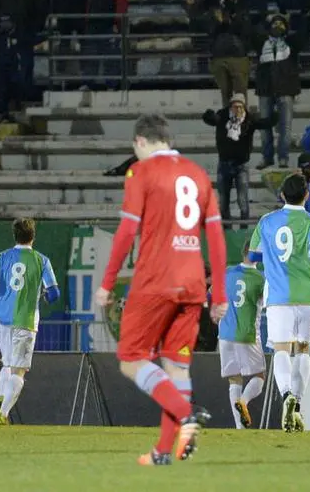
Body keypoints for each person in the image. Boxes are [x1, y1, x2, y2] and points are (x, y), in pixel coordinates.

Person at [94, 114, 228, 466]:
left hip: (155, 279)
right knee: (177, 368)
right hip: (193, 284)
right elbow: (215, 237)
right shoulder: (199, 175)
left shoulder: (141, 173)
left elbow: (125, 232)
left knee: (131, 361)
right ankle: (164, 452)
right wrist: (220, 295)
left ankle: (186, 412)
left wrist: (107, 282)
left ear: (140, 142)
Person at [249, 173, 310, 433]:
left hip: (278, 293)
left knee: (281, 349)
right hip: (307, 292)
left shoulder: (267, 221)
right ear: (307, 195)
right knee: (303, 349)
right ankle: (297, 406)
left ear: (282, 195)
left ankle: (286, 396)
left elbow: (253, 254)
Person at [0, 218, 60, 425]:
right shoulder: (41, 260)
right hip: (25, 320)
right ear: (33, 236)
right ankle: (2, 414)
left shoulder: (1, 258)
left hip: (2, 318)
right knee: (19, 370)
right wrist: (46, 297)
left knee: (8, 363)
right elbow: (54, 293)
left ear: (15, 236)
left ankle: (0, 399)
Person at [203, 93, 276, 222]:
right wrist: (209, 114)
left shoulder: (249, 119)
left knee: (242, 200)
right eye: (235, 107)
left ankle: (244, 230)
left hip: (241, 165)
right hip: (224, 164)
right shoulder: (223, 116)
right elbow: (211, 119)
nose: (238, 110)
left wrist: (276, 115)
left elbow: (265, 123)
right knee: (224, 201)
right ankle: (226, 230)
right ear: (231, 107)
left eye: (241, 107)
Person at [219, 243, 265, 429]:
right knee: (260, 376)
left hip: (225, 333)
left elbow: (210, 294)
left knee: (234, 379)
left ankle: (240, 427)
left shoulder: (226, 273)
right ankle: (244, 402)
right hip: (247, 333)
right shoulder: (261, 279)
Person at [255, 14, 300, 169]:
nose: (278, 26)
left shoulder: (292, 44)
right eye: (274, 23)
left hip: (286, 89)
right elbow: (250, 32)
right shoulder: (261, 42)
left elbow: (304, 33)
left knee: (285, 127)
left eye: (281, 23)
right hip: (265, 89)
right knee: (264, 127)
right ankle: (267, 158)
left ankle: (283, 158)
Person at [210, 0, 252, 107]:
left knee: (240, 93)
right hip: (219, 55)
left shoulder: (242, 10)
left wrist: (232, 14)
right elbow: (211, 31)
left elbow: (245, 30)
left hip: (238, 56)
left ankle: (242, 121)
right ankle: (226, 122)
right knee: (225, 93)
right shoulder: (215, 11)